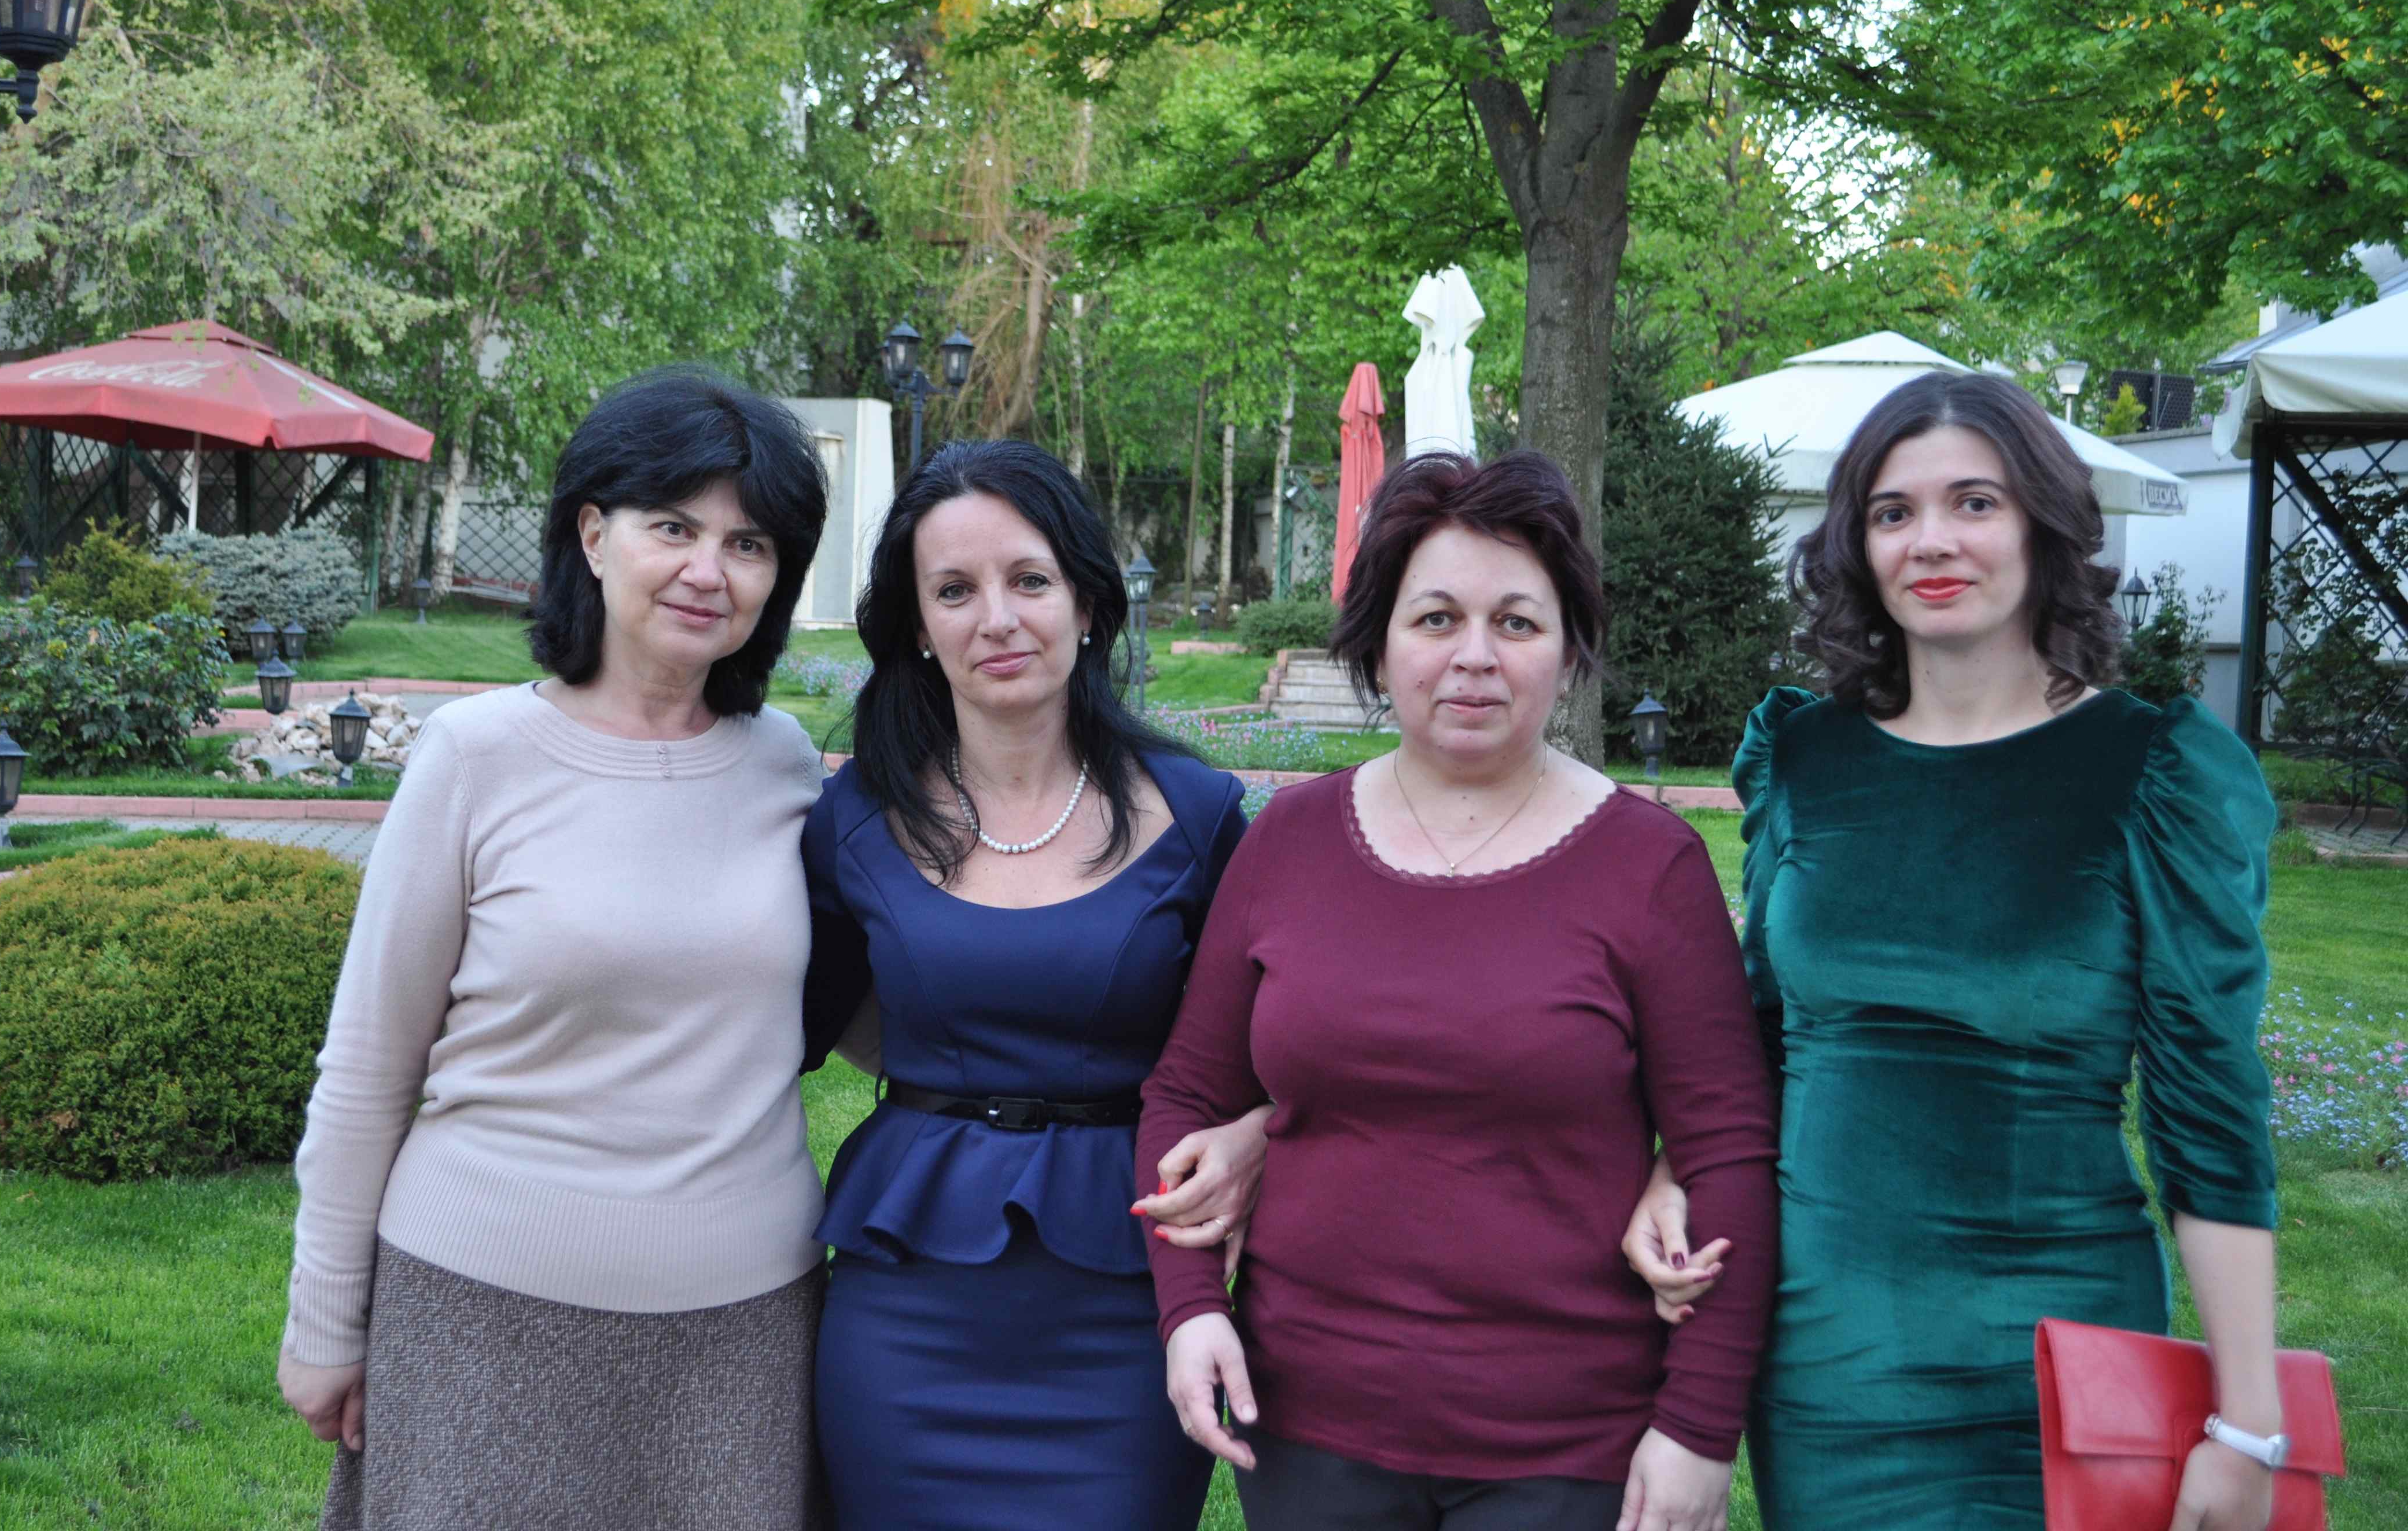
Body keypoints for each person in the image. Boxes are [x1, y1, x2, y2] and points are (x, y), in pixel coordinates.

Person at [1623, 370, 2285, 1531]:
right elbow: (1760, 1034)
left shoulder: (2150, 770)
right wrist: (1676, 1168)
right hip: (1831, 1354)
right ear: (1858, 544)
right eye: (1893, 511)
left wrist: (2246, 1421)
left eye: (1974, 502)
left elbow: (2210, 1109)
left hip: (2064, 1349)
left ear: (2042, 524)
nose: (1930, 539)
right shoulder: (1805, 759)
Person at [1140, 451, 1780, 1531]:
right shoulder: (1289, 841)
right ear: (1380, 643)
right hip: (1306, 1431)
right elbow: (1185, 1097)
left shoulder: (1649, 866)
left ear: (1568, 651)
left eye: (1516, 623)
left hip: (1568, 1448)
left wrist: (1700, 1429)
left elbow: (1727, 1154)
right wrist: (1191, 1311)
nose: (1474, 656)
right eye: (1436, 619)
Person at [277, 369, 834, 1530]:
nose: (708, 569)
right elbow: (369, 1066)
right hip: (481, 1313)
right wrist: (325, 1321)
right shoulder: (475, 756)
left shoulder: (786, 764)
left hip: (744, 1334)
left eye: (748, 544)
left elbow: (852, 1004)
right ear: (592, 534)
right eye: (671, 526)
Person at [801, 439, 1270, 1531]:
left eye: (1029, 580)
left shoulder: (1197, 816)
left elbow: (1284, 1043)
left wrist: (1256, 1136)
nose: (997, 619)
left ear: (1087, 604)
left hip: (1128, 1310)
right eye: (954, 591)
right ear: (918, 627)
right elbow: (799, 1022)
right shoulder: (856, 819)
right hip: (907, 1317)